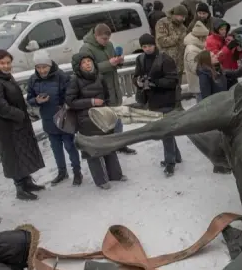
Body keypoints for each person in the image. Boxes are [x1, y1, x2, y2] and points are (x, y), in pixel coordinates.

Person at [0, 50, 45, 200]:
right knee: (14, 156)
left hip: (18, 124)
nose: (6, 66)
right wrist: (19, 115)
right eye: (2, 63)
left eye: (8, 63)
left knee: (23, 153)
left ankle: (27, 182)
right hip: (7, 127)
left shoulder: (5, 77)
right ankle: (20, 188)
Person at [66, 53, 124, 189]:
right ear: (78, 66)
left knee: (108, 146)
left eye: (89, 61)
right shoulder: (74, 81)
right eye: (84, 62)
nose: (87, 64)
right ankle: (101, 180)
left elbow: (107, 95)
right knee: (93, 151)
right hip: (86, 120)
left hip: (102, 117)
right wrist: (91, 102)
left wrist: (109, 110)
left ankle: (116, 174)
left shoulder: (99, 77)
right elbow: (70, 101)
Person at [26, 52, 81, 186]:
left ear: (50, 65)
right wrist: (37, 100)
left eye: (44, 67)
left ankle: (77, 172)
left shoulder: (61, 76)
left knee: (70, 145)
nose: (42, 70)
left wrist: (63, 105)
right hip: (48, 118)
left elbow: (71, 95)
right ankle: (62, 172)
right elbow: (29, 99)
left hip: (64, 118)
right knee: (56, 148)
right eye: (38, 67)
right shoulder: (33, 79)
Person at [79, 23, 135, 155]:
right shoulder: (86, 49)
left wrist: (119, 61)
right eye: (104, 39)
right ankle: (108, 146)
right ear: (96, 36)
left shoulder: (109, 45)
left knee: (117, 116)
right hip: (100, 90)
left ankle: (120, 143)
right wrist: (109, 64)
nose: (107, 42)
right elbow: (87, 70)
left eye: (108, 39)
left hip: (114, 87)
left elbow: (113, 64)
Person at [133, 34, 182, 177]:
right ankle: (176, 156)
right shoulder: (140, 59)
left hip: (166, 99)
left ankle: (170, 163)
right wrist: (139, 82)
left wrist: (156, 83)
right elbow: (136, 76)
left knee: (165, 131)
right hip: (151, 100)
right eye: (144, 46)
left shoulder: (165, 59)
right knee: (166, 131)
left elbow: (173, 80)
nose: (147, 49)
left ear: (154, 45)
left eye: (149, 46)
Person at [156, 5, 190, 79]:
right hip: (167, 63)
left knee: (178, 87)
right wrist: (178, 37)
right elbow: (162, 41)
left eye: (185, 17)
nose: (184, 19)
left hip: (179, 65)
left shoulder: (182, 27)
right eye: (182, 17)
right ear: (176, 15)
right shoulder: (162, 23)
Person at [183, 21, 210, 100]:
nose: (206, 38)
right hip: (198, 84)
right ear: (200, 37)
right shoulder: (192, 50)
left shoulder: (198, 45)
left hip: (202, 83)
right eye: (205, 36)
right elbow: (195, 69)